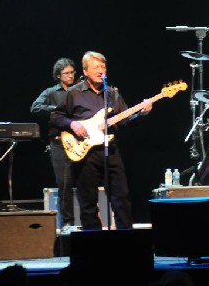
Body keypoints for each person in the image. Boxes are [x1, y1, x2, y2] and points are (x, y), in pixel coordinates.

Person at [50, 51, 152, 230]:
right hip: (85, 153)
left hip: (110, 151)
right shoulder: (74, 93)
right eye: (95, 67)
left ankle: (126, 240)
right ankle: (95, 246)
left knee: (121, 198)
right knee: (88, 201)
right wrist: (72, 124)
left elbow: (126, 121)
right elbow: (56, 117)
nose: (100, 71)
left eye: (103, 67)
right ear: (85, 71)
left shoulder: (112, 94)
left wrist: (142, 113)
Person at [30, 57, 78, 233]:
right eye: (66, 73)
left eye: (72, 72)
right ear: (58, 75)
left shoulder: (78, 90)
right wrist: (56, 108)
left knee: (84, 181)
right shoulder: (51, 92)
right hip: (58, 143)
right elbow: (35, 107)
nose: (71, 76)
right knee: (64, 183)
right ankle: (68, 223)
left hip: (80, 141)